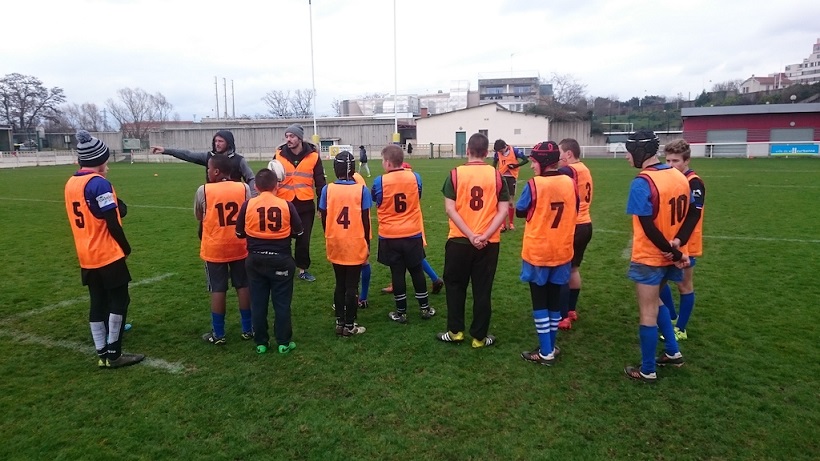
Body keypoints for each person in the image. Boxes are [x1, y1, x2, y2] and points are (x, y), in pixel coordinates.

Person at [64, 130, 144, 368]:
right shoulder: (99, 184)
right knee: (120, 300)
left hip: (86, 254)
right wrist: (125, 247)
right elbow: (111, 222)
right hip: (106, 252)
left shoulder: (71, 183)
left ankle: (102, 353)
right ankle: (114, 354)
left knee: (97, 301)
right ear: (100, 159)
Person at [622, 130, 691, 383]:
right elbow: (689, 217)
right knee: (658, 302)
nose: (627, 157)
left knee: (648, 311)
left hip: (651, 257)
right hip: (671, 253)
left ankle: (648, 370)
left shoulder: (642, 182)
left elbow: (648, 227)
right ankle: (672, 352)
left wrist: (673, 252)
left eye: (629, 152)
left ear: (640, 152)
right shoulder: (678, 175)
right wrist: (678, 249)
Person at [436, 133, 508, 348]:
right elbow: (503, 211)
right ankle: (479, 337)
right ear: (487, 153)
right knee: (482, 290)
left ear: (467, 150)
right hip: (488, 244)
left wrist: (470, 234)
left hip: (459, 241)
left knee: (455, 287)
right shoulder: (497, 175)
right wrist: (484, 235)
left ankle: (455, 332)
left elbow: (450, 209)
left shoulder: (455, 174)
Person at [516, 141, 579, 365]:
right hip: (562, 250)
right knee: (554, 301)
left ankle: (545, 352)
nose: (531, 166)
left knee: (540, 302)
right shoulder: (570, 182)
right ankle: (550, 346)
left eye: (534, 162)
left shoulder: (535, 184)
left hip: (539, 251)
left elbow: (520, 210)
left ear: (543, 162)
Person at [236, 163, 303, 354]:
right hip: (281, 258)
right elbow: (299, 232)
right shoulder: (286, 205)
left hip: (255, 260)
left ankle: (261, 343)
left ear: (256, 187)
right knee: (281, 303)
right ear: (277, 186)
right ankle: (283, 342)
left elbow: (239, 233)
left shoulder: (248, 205)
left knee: (258, 303)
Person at [372, 144, 435, 323]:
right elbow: (418, 196)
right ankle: (425, 308)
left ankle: (401, 312)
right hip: (412, 232)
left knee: (397, 273)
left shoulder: (379, 181)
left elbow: (376, 200)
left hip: (390, 235)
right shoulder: (415, 177)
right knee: (416, 270)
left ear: (388, 162)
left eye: (383, 160)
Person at [195, 154, 253, 345]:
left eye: (209, 169)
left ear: (217, 171)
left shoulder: (204, 190)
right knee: (243, 286)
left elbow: (199, 216)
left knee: (218, 289)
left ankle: (218, 333)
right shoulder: (243, 188)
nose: (208, 172)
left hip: (215, 247)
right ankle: (248, 329)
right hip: (240, 244)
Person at [319, 151, 372, 336]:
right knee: (351, 285)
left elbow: (323, 216)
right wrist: (367, 243)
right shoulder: (361, 190)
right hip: (355, 242)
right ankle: (350, 325)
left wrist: (329, 234)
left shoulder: (327, 190)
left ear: (336, 169)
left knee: (340, 283)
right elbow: (365, 220)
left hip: (335, 241)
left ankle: (340, 322)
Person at [660, 139, 705, 341]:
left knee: (684, 285)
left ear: (686, 161)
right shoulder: (671, 180)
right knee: (660, 281)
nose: (670, 165)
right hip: (669, 241)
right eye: (668, 160)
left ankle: (681, 328)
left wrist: (680, 239)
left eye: (675, 161)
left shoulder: (693, 182)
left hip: (687, 243)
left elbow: (694, 215)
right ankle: (671, 317)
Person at [380, 160, 445, 296]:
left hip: (402, 224)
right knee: (415, 254)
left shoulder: (396, 180)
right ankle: (434, 279)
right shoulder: (413, 179)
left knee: (405, 256)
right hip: (413, 221)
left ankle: (400, 285)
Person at [272, 124, 327, 282]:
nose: (288, 139)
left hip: (305, 204)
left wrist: (321, 205)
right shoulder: (279, 155)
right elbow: (271, 178)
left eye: (292, 136)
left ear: (300, 138)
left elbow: (320, 182)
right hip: (283, 203)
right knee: (283, 238)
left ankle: (302, 269)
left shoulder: (314, 156)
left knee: (304, 239)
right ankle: (284, 267)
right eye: (287, 136)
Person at [556, 138, 594, 330]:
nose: (558, 157)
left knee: (562, 271)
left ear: (568, 154)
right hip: (586, 224)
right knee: (573, 269)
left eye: (560, 153)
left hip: (574, 225)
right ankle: (571, 310)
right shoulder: (584, 168)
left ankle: (563, 316)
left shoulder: (568, 170)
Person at [151, 129, 256, 193]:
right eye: (216, 141)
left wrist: (252, 197)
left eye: (220, 141)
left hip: (234, 198)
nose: (217, 144)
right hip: (212, 197)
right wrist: (166, 150)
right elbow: (188, 155)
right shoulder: (209, 157)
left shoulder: (239, 160)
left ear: (228, 143)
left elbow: (251, 178)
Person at [492, 139, 528, 232]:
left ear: (505, 147)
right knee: (501, 201)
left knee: (511, 202)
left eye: (501, 150)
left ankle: (511, 223)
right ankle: (503, 225)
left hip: (512, 178)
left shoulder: (514, 151)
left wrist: (515, 166)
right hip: (501, 178)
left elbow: (526, 160)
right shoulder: (497, 154)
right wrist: (493, 174)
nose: (500, 152)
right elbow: (494, 164)